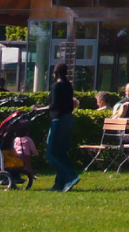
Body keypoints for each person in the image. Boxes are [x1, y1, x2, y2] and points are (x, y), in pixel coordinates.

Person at [39, 63, 81, 192]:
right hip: (69, 120)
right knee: (61, 153)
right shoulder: (68, 85)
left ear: (55, 73)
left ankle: (71, 176)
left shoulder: (57, 86)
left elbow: (54, 105)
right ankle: (59, 184)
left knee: (51, 154)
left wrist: (39, 108)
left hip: (59, 121)